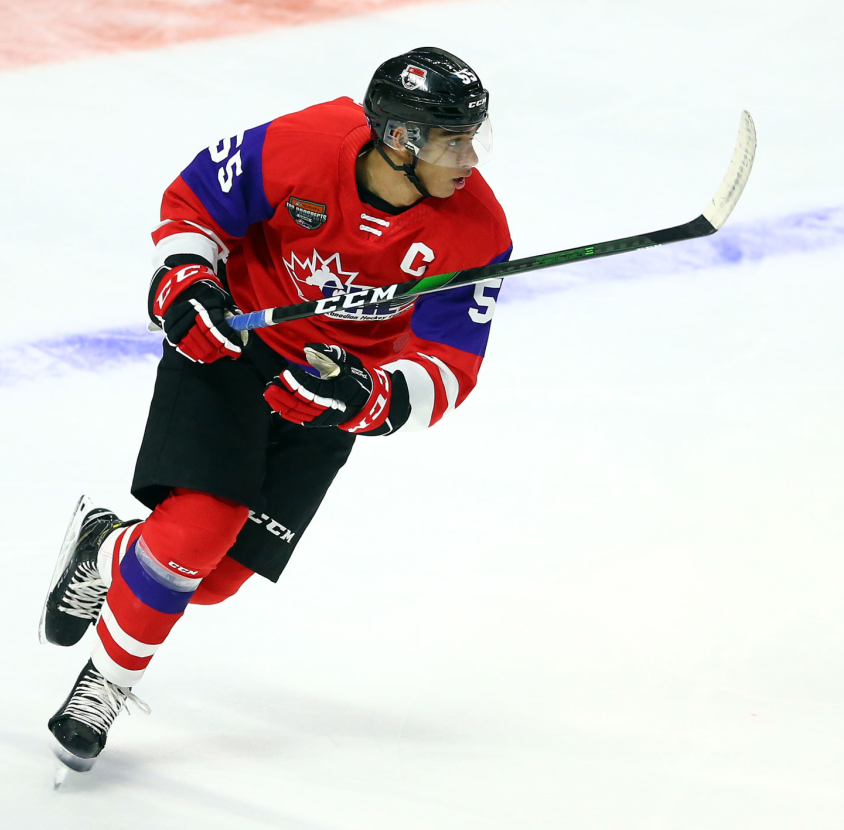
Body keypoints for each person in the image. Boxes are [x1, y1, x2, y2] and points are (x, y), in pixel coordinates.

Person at [39, 46, 512, 773]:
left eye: (472, 137)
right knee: (195, 535)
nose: (470, 157)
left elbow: (449, 368)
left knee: (217, 579)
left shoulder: (477, 231)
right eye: (454, 139)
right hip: (234, 349)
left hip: (328, 389)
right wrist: (188, 277)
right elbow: (197, 199)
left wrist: (372, 395)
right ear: (400, 138)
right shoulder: (305, 144)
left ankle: (105, 548)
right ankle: (103, 687)